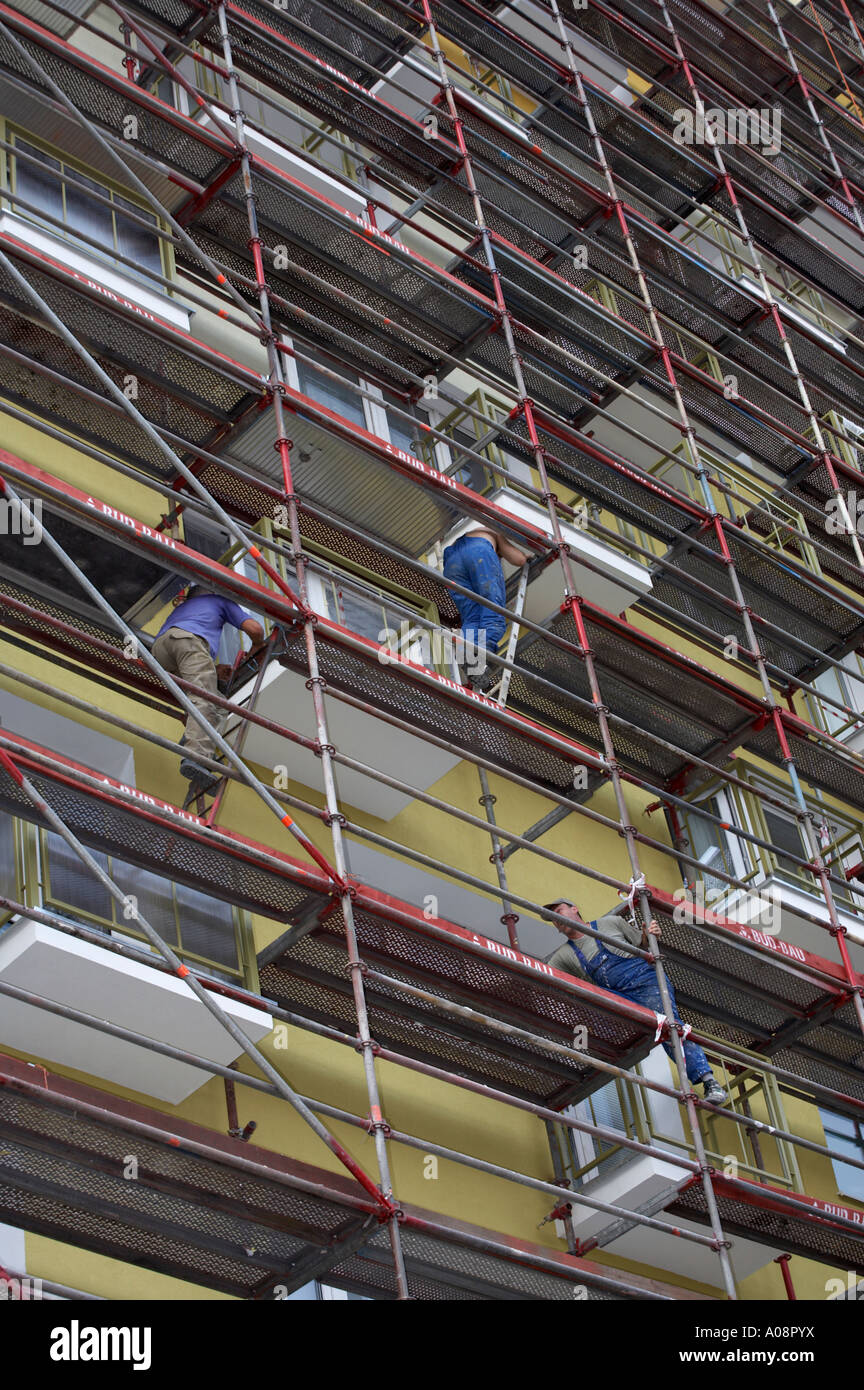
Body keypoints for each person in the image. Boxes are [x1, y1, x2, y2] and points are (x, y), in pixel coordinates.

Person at [543, 898, 728, 1104]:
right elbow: (544, 976)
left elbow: (641, 942)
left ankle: (709, 1081)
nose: (557, 919)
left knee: (670, 1028)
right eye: (553, 919)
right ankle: (593, 1058)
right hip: (618, 996)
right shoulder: (564, 955)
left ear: (574, 908)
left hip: (646, 982)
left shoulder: (610, 923)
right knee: (593, 1013)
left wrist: (650, 935)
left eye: (559, 911)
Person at [152, 586, 264, 793]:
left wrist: (213, 668)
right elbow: (255, 630)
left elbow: (182, 650)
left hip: (161, 650)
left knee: (217, 704)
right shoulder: (220, 600)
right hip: (189, 642)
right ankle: (197, 756)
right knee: (203, 697)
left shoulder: (184, 609)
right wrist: (257, 647)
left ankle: (195, 736)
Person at [442, 526, 528, 661]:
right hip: (478, 552)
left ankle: (464, 658)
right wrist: (525, 556)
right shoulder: (493, 531)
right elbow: (520, 560)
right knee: (493, 609)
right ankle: (481, 658)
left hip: (451, 564)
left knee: (472, 616)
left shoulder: (470, 534)